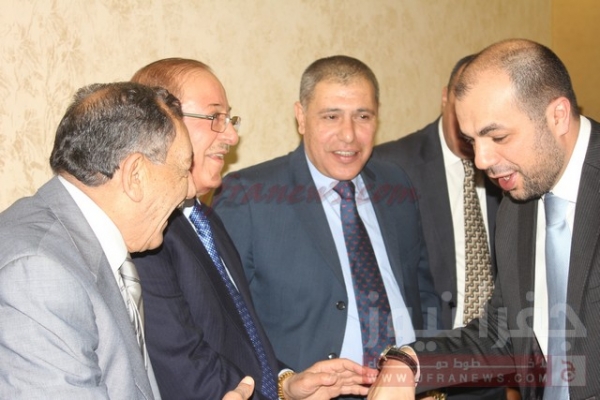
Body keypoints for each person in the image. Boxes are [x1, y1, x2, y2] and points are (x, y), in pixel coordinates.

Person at [131, 58, 377, 400]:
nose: (231, 136)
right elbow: (185, 372)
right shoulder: (147, 236)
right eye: (214, 118)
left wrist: (287, 385)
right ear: (160, 124)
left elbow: (241, 340)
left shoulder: (206, 219)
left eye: (229, 119)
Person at [369, 38, 600, 399]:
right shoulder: (517, 203)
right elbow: (502, 333)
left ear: (557, 115)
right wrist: (409, 364)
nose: (481, 160)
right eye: (472, 140)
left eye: (498, 136)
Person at [213, 55, 441, 379]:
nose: (348, 135)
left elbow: (422, 293)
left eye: (362, 116)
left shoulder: (396, 184)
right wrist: (284, 384)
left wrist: (430, 376)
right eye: (331, 116)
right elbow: (225, 323)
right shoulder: (248, 197)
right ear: (301, 117)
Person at [0, 82, 196, 399]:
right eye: (184, 170)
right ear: (136, 175)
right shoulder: (39, 273)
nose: (190, 190)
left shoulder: (81, 245)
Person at [373, 56, 506, 399]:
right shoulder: (389, 167)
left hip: (493, 362)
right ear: (446, 96)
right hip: (421, 370)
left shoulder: (505, 163)